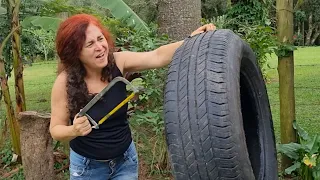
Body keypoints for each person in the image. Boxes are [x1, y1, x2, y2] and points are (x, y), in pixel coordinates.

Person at [49, 13, 216, 180]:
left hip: (125, 161)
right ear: (75, 52)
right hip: (88, 168)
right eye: (90, 44)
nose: (100, 47)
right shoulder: (64, 83)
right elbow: (56, 130)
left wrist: (190, 40)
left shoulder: (118, 62)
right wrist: (74, 130)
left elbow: (156, 56)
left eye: (100, 39)